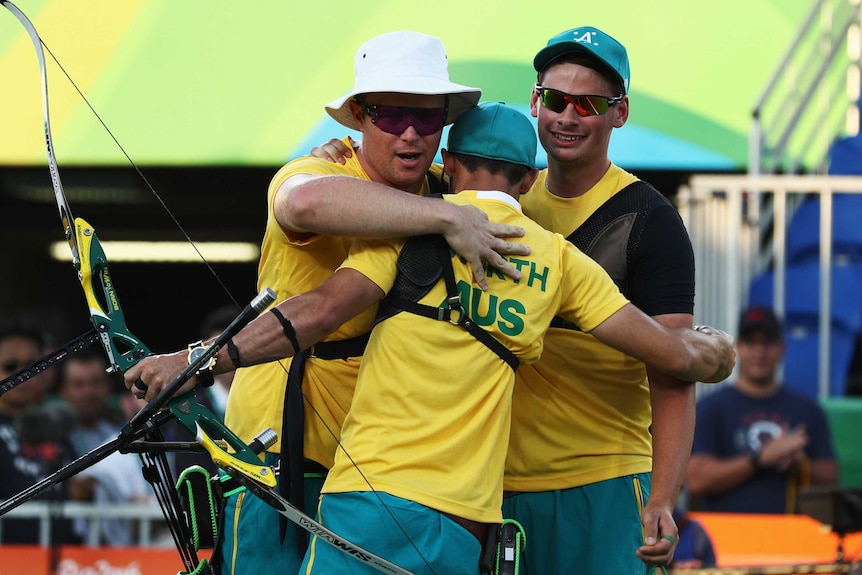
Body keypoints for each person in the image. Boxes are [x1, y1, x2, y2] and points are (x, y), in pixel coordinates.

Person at [125, 102, 735, 575]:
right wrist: (717, 349)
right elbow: (672, 355)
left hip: (370, 500)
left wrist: (193, 363)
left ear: (451, 166)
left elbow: (311, 315)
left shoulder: (405, 231)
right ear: (529, 182)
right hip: (471, 521)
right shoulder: (563, 262)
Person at [311, 26, 700, 573]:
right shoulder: (476, 189)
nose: (567, 116)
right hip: (494, 496)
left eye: (587, 103)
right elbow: (382, 174)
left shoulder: (650, 220)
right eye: (553, 99)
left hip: (603, 483)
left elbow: (673, 368)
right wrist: (340, 155)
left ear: (620, 113)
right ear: (535, 104)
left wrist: (662, 497)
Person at [184, 31, 526, 575]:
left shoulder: (448, 191)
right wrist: (444, 216)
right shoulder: (319, 170)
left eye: (428, 118)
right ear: (361, 118)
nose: (411, 134)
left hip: (378, 463)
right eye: (391, 116)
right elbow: (305, 203)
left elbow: (526, 214)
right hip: (277, 442)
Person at [687, 306, 839, 514]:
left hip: (794, 536)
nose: (760, 351)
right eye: (751, 343)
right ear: (738, 347)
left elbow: (831, 477)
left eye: (768, 342)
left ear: (782, 347)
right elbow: (696, 480)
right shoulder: (711, 408)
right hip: (724, 536)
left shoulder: (807, 409)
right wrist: (760, 458)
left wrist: (800, 464)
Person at [0, 326, 77, 544]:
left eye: (32, 366)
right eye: (10, 365)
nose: (22, 374)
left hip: (62, 557)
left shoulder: (56, 423)